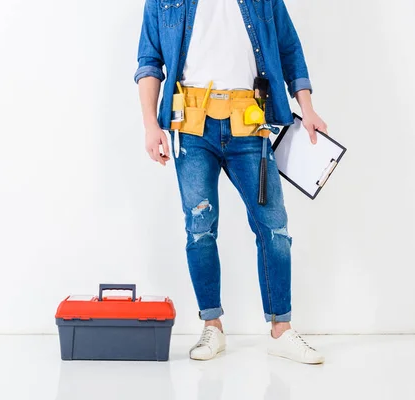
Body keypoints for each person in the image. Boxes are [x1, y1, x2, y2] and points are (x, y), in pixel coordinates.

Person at [135, 0, 327, 364]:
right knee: (200, 228)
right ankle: (212, 325)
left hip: (250, 124)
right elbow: (149, 61)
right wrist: (150, 125)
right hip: (191, 127)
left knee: (274, 227)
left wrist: (309, 107)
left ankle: (281, 330)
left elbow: (289, 48)